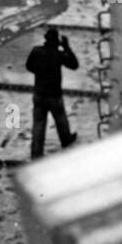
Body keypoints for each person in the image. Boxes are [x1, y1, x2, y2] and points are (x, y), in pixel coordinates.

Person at [26, 28, 79, 159]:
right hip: (54, 94)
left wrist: (40, 72)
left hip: (39, 93)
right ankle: (66, 140)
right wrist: (67, 47)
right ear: (57, 42)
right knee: (61, 119)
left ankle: (36, 153)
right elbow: (74, 65)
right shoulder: (59, 54)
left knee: (38, 124)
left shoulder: (36, 51)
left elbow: (29, 66)